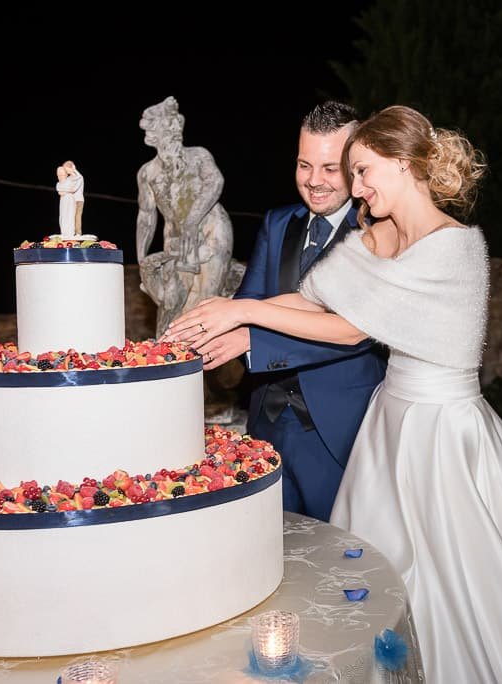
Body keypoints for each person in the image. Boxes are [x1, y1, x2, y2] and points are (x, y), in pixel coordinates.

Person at [164, 105, 502, 683]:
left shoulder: (456, 247)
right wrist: (229, 313)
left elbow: (350, 326)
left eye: (365, 171)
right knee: (372, 568)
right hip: (390, 422)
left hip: (443, 430)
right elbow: (315, 298)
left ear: (403, 165)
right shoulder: (379, 236)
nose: (357, 187)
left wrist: (245, 310)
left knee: (459, 571)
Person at [190, 101, 386, 523]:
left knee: (346, 559)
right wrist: (205, 338)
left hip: (342, 430)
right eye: (303, 165)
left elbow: (357, 333)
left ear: (356, 168)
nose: (313, 181)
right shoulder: (278, 223)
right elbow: (251, 303)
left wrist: (250, 339)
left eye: (329, 168)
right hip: (268, 424)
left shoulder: (376, 233)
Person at [135, 96, 234, 336]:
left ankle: (200, 366)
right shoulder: (148, 172)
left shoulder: (198, 155)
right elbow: (147, 216)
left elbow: (215, 181)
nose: (175, 131)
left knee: (205, 306)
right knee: (171, 308)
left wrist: (193, 219)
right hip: (176, 240)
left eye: (174, 125)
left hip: (211, 228)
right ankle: (170, 364)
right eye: (166, 127)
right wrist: (141, 258)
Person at [55, 165, 79, 237]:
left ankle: (70, 233)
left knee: (70, 215)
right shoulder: (58, 184)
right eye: (58, 175)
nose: (60, 176)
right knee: (63, 216)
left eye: (62, 174)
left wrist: (72, 170)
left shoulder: (70, 180)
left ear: (66, 174)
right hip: (63, 202)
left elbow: (73, 189)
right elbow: (60, 191)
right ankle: (64, 232)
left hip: (70, 201)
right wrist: (67, 190)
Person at [63, 160, 85, 235]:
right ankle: (70, 232)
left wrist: (65, 190)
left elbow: (74, 189)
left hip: (78, 200)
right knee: (70, 216)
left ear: (72, 167)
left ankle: (78, 233)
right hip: (70, 200)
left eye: (67, 169)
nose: (66, 171)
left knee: (77, 217)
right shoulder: (69, 178)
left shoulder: (79, 177)